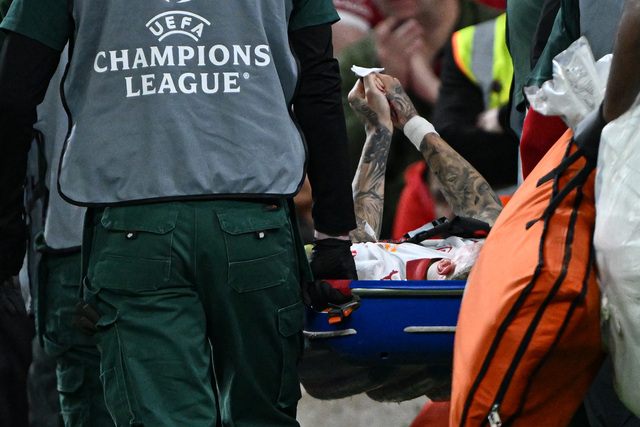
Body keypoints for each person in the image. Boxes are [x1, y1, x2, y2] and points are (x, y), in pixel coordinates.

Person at [0, 1, 358, 426]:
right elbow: (318, 83)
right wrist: (334, 234)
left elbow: (13, 93)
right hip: (255, 221)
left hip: (133, 223)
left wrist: (7, 230)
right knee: (262, 416)